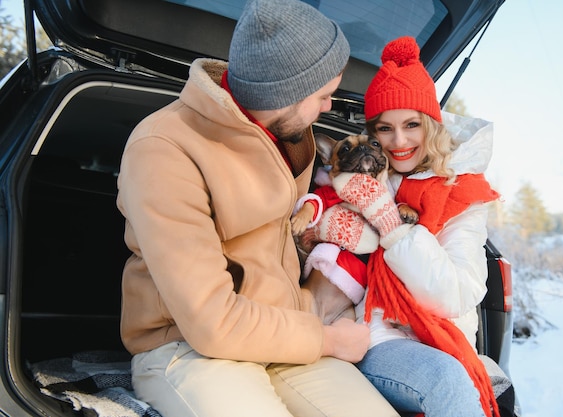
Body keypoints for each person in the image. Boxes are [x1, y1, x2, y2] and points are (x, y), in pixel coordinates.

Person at [115, 0, 401, 416]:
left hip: (289, 335)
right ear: (285, 90)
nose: (327, 108)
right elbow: (210, 320)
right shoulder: (163, 147)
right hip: (190, 347)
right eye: (324, 95)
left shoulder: (290, 136)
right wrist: (329, 340)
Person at [304, 36, 512, 417]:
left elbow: (454, 294)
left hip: (439, 337)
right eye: (385, 129)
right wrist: (318, 230)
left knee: (452, 379)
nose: (399, 142)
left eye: (411, 125)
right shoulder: (364, 176)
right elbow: (322, 225)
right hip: (376, 335)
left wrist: (392, 225)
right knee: (446, 380)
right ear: (373, 134)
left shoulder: (462, 195)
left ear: (431, 125)